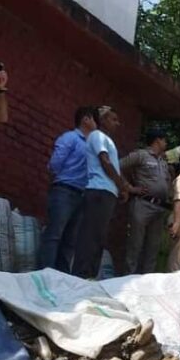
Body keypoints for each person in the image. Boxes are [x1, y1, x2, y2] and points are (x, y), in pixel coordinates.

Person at [72, 106, 134, 278]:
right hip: (98, 191)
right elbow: (105, 161)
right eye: (113, 119)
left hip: (107, 192)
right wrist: (121, 185)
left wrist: (122, 187)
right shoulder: (97, 136)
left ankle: (90, 276)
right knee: (90, 236)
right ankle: (81, 275)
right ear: (103, 120)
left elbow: (113, 166)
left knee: (98, 236)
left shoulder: (107, 139)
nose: (117, 123)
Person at [39, 106, 97, 271]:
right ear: (85, 119)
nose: (97, 124)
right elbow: (55, 163)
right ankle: (45, 271)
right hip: (64, 191)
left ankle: (61, 275)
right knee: (54, 235)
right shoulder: (70, 138)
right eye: (94, 119)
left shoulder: (92, 146)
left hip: (81, 195)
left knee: (70, 240)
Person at [120, 129, 173, 274]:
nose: (166, 143)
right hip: (143, 204)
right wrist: (129, 187)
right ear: (157, 140)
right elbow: (117, 166)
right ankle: (128, 277)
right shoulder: (141, 155)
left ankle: (147, 279)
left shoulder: (163, 161)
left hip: (159, 207)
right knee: (135, 244)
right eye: (164, 140)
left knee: (153, 247)